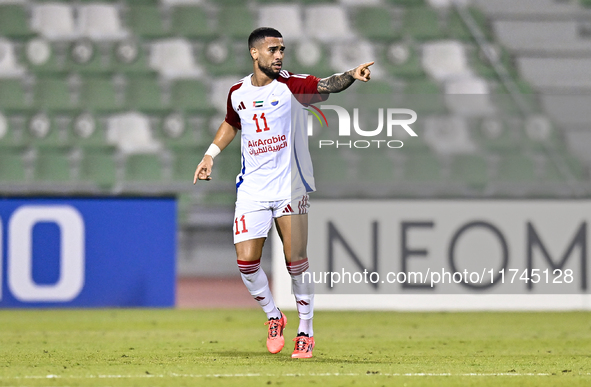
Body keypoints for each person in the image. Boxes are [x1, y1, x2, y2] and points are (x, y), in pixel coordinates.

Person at [194, 27, 372, 358]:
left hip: (290, 186)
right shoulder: (237, 93)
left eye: (282, 50)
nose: (279, 55)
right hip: (252, 189)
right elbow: (232, 123)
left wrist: (351, 74)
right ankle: (274, 316)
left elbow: (324, 85)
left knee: (296, 263)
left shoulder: (291, 85)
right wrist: (210, 155)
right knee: (246, 264)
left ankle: (306, 331)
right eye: (273, 50)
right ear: (255, 53)